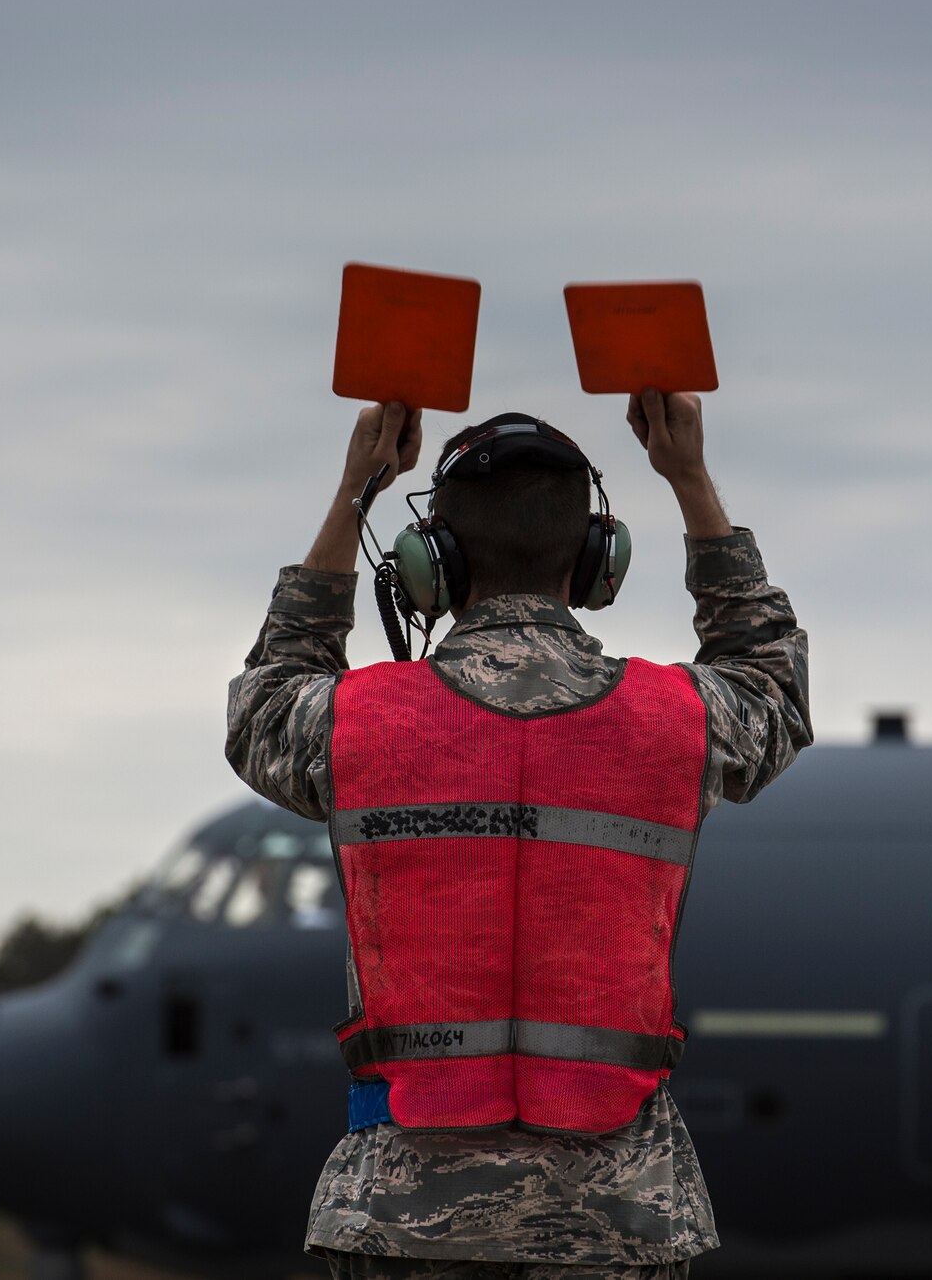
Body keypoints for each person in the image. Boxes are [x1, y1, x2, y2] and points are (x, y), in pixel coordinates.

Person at [226, 391, 811, 1278]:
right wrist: (690, 478)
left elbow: (266, 701)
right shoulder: (672, 721)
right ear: (594, 562)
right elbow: (771, 684)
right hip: (618, 1220)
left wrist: (357, 491)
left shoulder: (363, 723)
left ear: (438, 568)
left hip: (400, 1222)